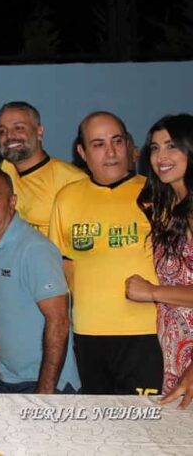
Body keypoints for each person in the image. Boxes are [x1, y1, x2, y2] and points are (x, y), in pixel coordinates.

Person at [49, 112, 161, 395]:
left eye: (117, 141)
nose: (110, 152)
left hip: (146, 334)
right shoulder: (66, 198)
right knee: (99, 420)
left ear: (129, 145)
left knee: (145, 421)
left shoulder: (157, 194)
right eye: (98, 144)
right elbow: (61, 267)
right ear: (82, 152)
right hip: (88, 336)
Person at [0, 165, 79, 394]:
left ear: (12, 201)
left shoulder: (35, 249)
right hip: (7, 378)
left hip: (48, 383)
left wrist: (45, 392)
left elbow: (59, 321)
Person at [127, 113, 193, 406]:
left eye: (171, 146)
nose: (160, 156)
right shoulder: (168, 207)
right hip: (173, 349)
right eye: (155, 148)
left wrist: (152, 292)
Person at [0, 101, 85, 235]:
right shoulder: (0, 173)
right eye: (2, 131)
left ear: (39, 131)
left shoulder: (72, 181)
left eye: (18, 128)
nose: (9, 136)